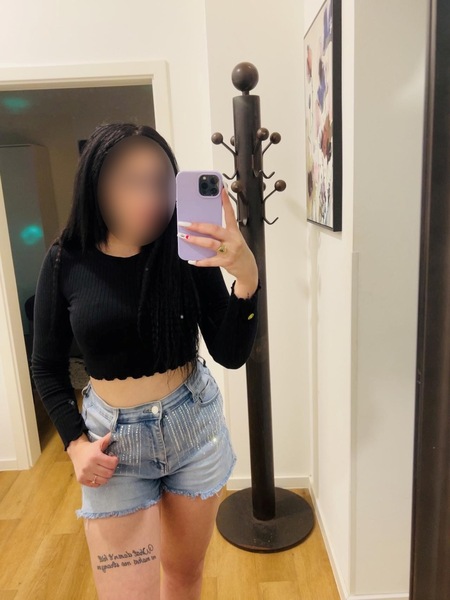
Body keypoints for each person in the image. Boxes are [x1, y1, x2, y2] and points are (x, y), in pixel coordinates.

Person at [31, 122, 260, 600]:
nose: (150, 197)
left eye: (159, 181)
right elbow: (46, 367)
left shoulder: (187, 249)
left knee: (184, 577)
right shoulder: (64, 260)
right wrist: (75, 444)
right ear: (95, 186)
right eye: (130, 181)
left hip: (193, 429)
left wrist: (246, 280)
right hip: (113, 447)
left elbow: (230, 352)